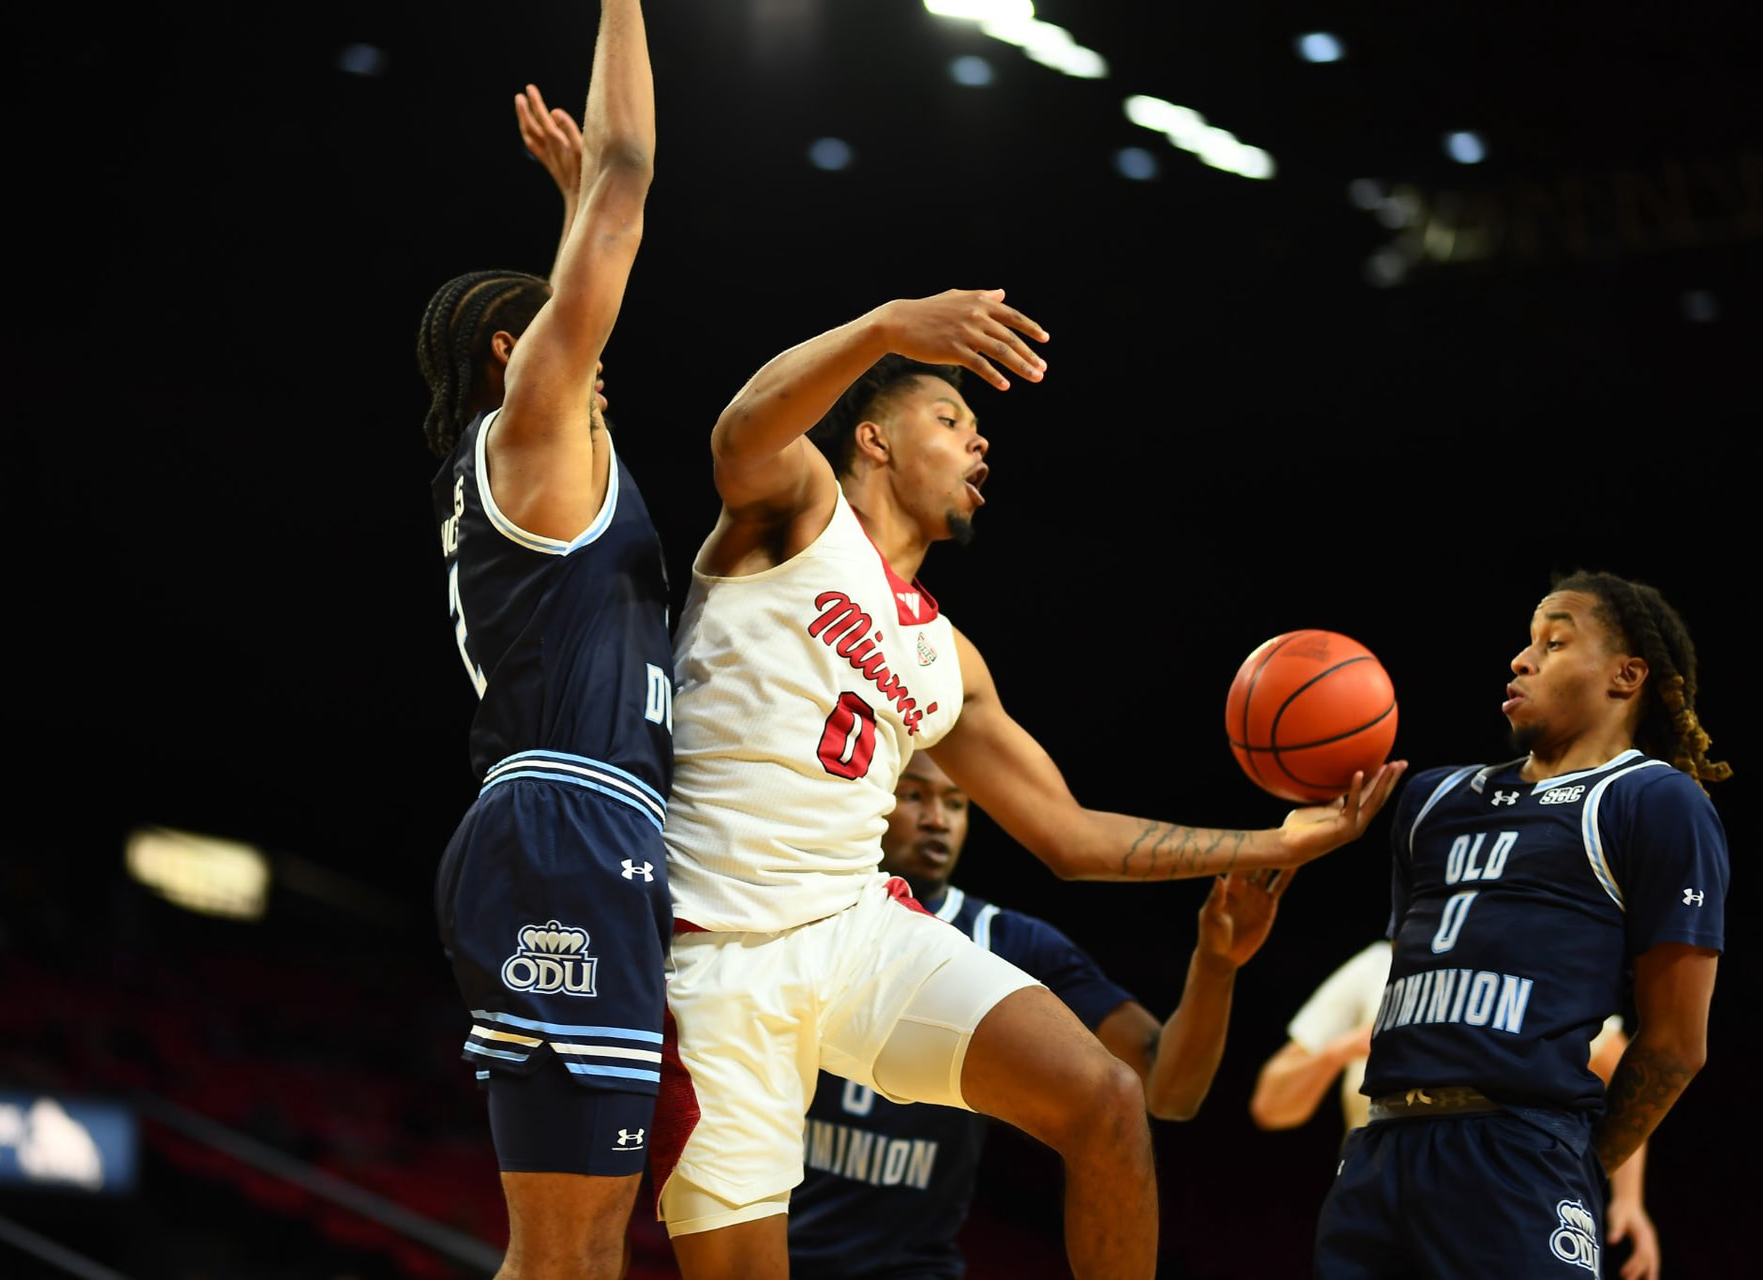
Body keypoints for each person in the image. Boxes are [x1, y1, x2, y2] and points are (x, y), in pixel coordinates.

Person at [647, 289, 1409, 1280]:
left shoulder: (947, 659)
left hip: (852, 926)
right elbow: (740, 429)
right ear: (873, 439)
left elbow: (1068, 834)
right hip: (719, 949)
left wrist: (1282, 841)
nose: (979, 443)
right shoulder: (798, 514)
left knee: (1105, 1097)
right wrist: (886, 328)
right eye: (949, 418)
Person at [417, 5, 669, 1278]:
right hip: (566, 826)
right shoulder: (527, 432)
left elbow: (606, 220)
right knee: (566, 1255)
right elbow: (629, 179)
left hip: (584, 831)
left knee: (586, 1251)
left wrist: (578, 208)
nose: (599, 348)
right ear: (516, 356)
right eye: (569, 326)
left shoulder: (533, 466)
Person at [1310, 571, 1730, 1280]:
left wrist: (1577, 1163)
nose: (1521, 659)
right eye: (1527, 642)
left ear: (1626, 675)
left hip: (1519, 1151)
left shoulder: (1655, 800)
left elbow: (1675, 1046)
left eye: (1554, 642)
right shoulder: (1429, 799)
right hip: (1378, 1151)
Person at [788, 750, 1295, 1280]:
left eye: (956, 803)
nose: (938, 819)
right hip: (775, 1255)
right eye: (915, 795)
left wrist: (1215, 967)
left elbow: (1170, 1090)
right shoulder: (804, 914)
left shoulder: (1010, 941)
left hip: (912, 1268)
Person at [1250, 939, 1662, 1279]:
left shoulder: (1525, 958)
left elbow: (1627, 1080)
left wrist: (1625, 1198)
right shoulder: (1377, 967)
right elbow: (1271, 1105)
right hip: (1387, 1191)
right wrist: (1340, 1050)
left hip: (1502, 1186)